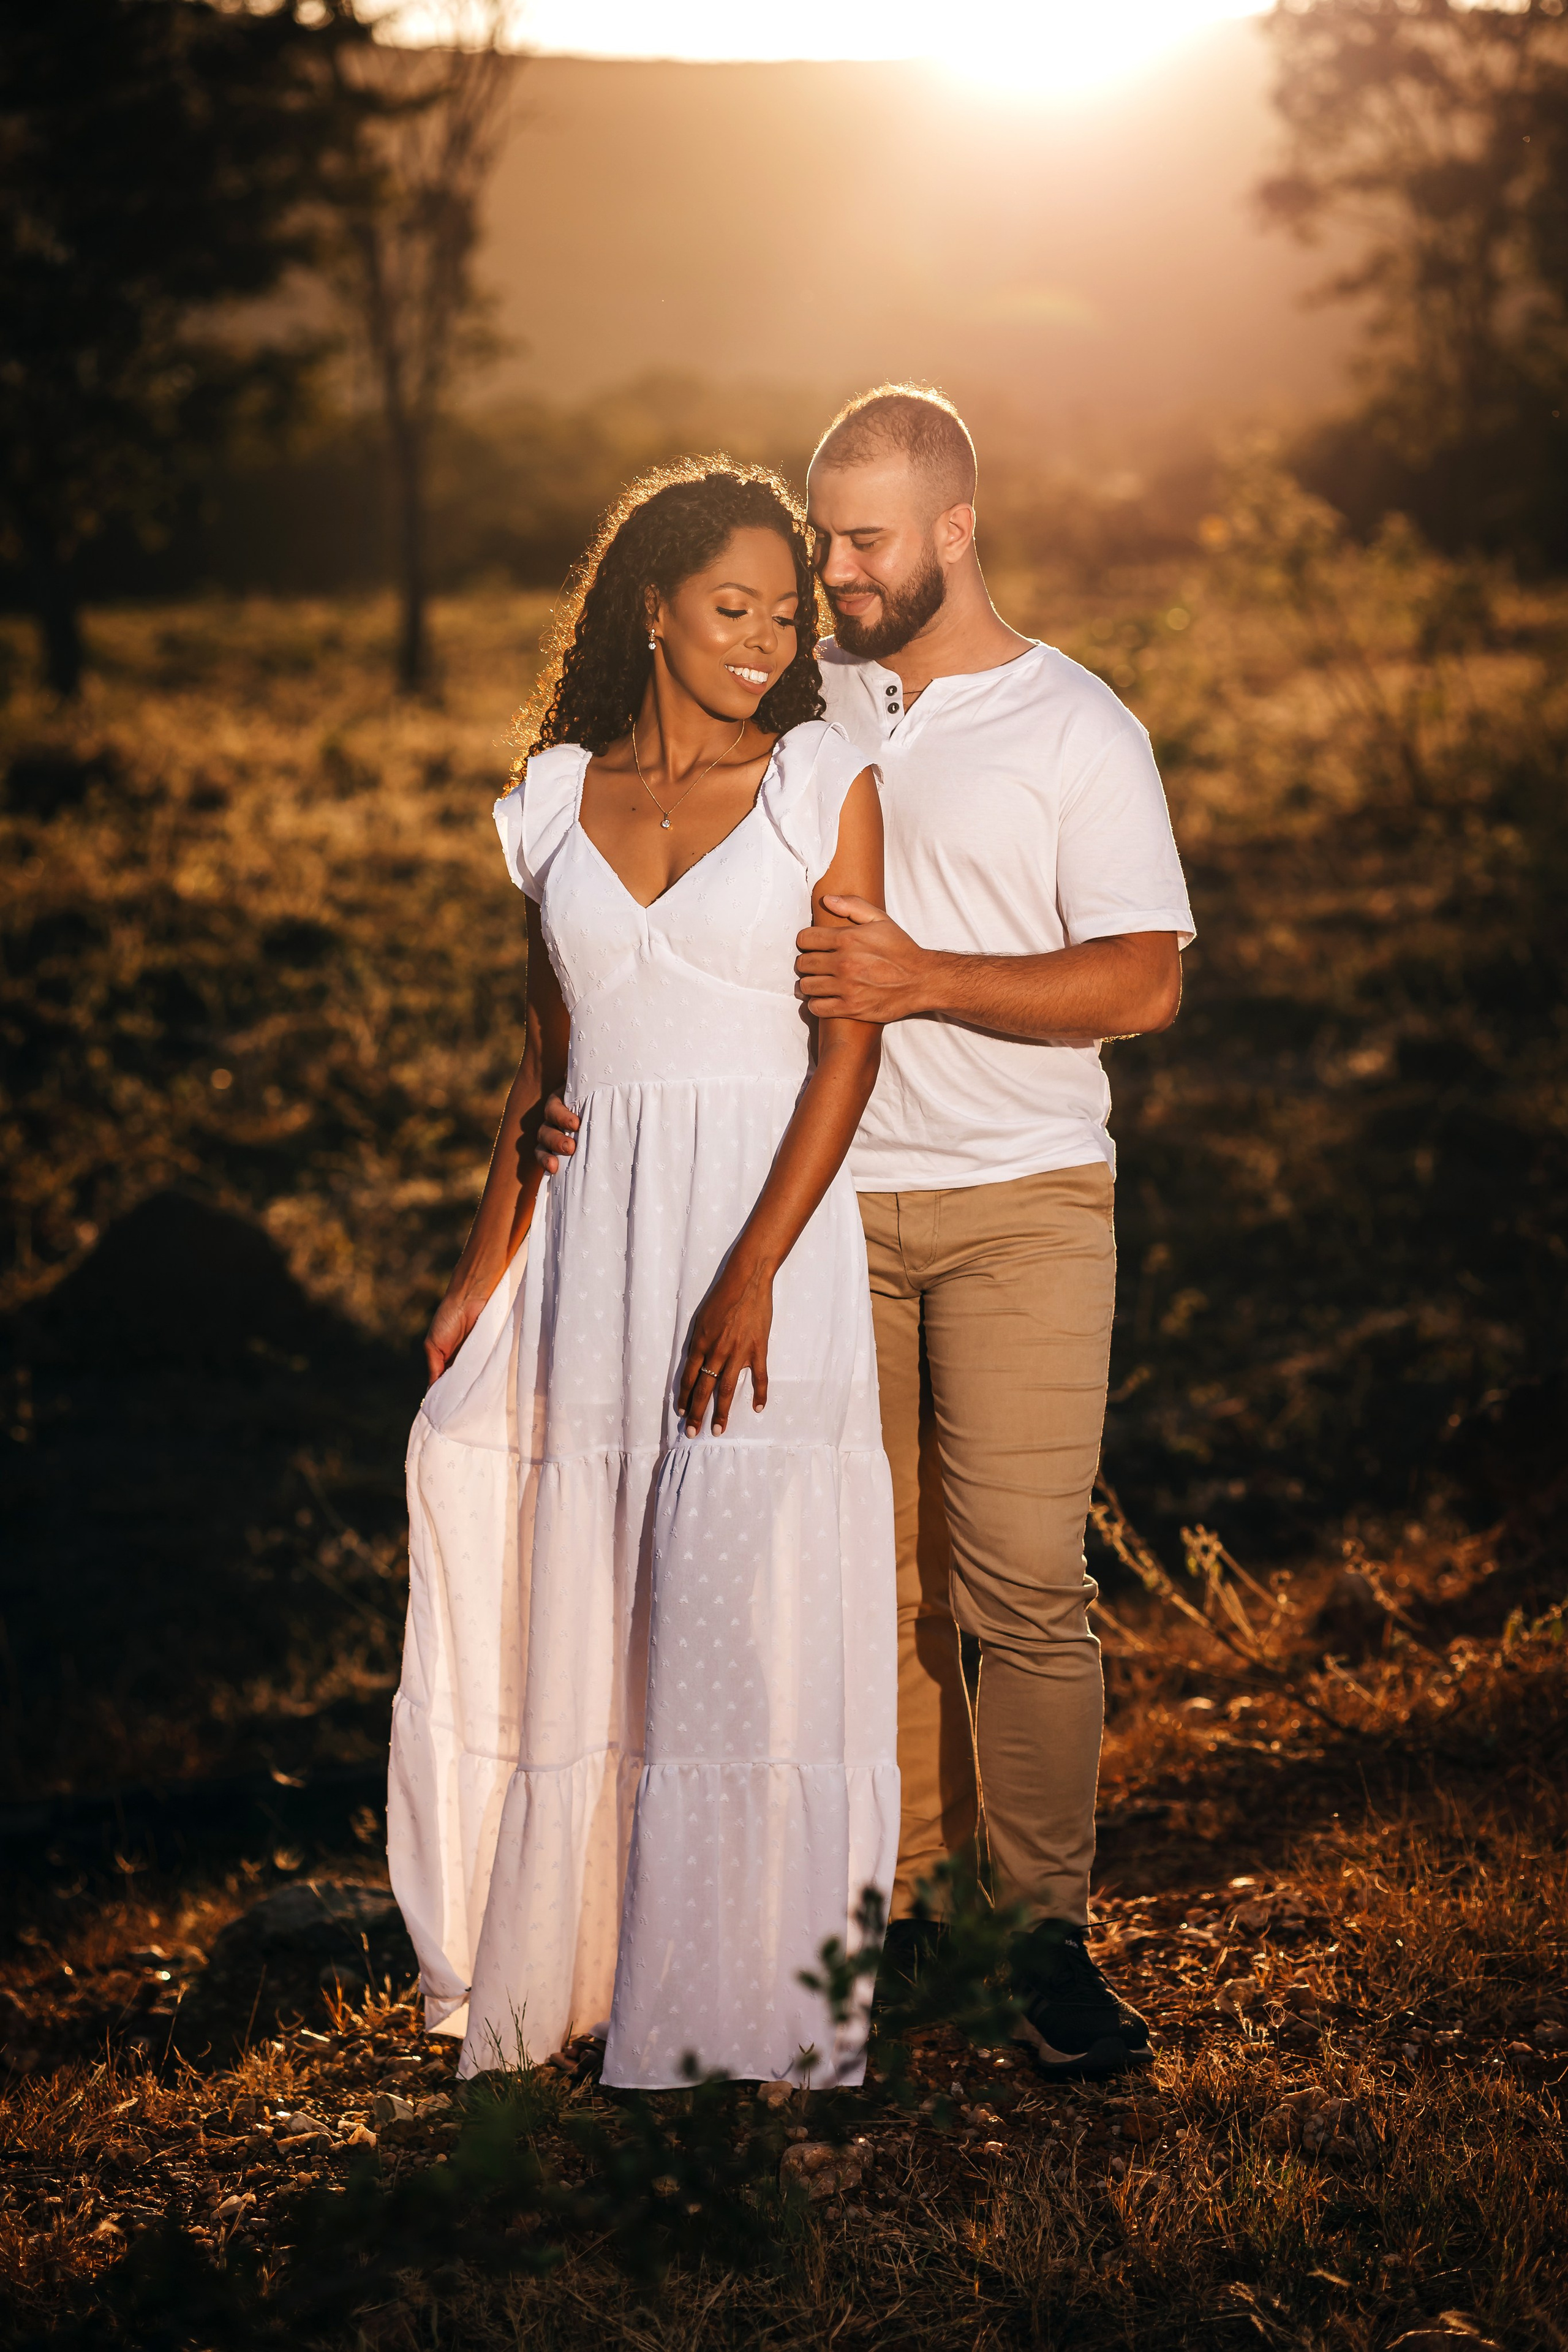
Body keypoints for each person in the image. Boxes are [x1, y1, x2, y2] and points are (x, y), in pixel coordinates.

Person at [541, 387, 1195, 2081]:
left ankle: (1040, 1937)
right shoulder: (799, 699)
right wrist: (574, 1088)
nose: (832, 572)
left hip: (1021, 1201)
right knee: (872, 1581)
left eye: (865, 541)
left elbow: (1145, 981)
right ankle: (897, 1923)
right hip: (819, 1210)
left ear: (956, 532)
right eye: (822, 538)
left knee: (1021, 1582)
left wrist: (928, 979)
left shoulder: (1077, 727)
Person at [387, 460, 899, 2091]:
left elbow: (848, 1050)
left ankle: (744, 2017)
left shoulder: (818, 782)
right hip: (595, 1249)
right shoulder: (555, 799)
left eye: (786, 617)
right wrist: (480, 1272)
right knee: (602, 1608)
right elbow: (545, 1064)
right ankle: (597, 1979)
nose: (764, 642)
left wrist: (753, 1271)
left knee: (734, 1613)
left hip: (761, 1241)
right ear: (653, 608)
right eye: (732, 608)